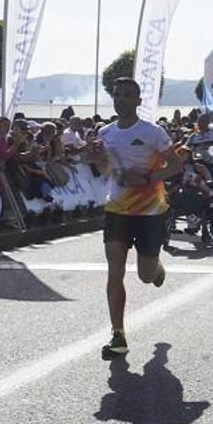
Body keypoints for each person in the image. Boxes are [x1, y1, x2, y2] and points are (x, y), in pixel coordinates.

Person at [89, 78, 182, 360]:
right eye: (117, 95)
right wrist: (95, 159)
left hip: (150, 212)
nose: (121, 99)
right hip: (117, 210)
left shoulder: (153, 132)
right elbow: (105, 170)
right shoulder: (104, 132)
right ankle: (118, 335)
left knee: (144, 276)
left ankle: (156, 270)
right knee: (114, 270)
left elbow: (176, 165)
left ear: (138, 100)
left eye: (128, 95)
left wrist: (148, 178)